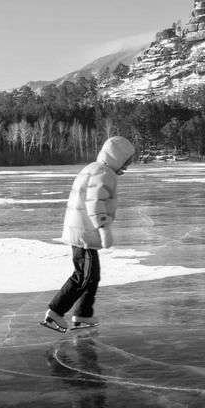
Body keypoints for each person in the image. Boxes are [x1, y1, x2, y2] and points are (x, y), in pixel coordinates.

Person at [41, 136, 135, 332]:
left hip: (81, 231)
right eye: (125, 162)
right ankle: (55, 312)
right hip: (84, 234)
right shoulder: (104, 173)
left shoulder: (93, 168)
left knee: (92, 277)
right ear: (116, 158)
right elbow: (95, 202)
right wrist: (104, 228)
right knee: (83, 277)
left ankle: (84, 314)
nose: (127, 167)